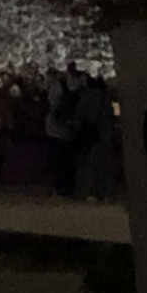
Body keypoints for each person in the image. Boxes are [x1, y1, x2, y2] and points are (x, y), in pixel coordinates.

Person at [45, 64, 85, 197]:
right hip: (68, 127)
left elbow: (52, 104)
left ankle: (64, 187)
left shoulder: (60, 85)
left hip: (67, 127)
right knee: (65, 159)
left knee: (63, 159)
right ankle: (66, 187)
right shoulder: (79, 84)